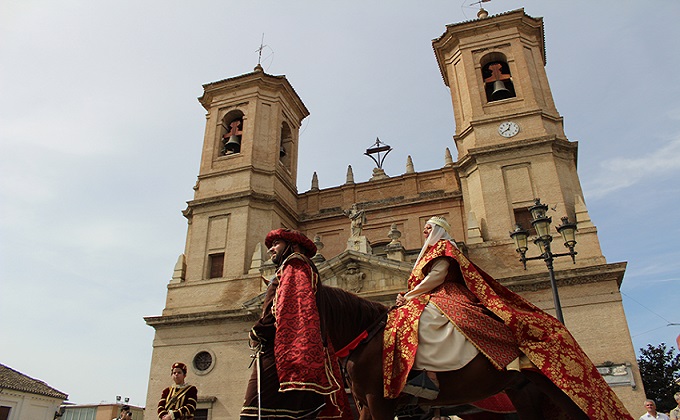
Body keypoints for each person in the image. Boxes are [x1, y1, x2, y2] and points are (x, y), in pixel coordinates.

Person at [383, 216, 632, 419]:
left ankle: (434, 371)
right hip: (425, 295)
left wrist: (411, 295)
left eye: (429, 228)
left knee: (431, 320)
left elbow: (437, 276)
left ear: (439, 230)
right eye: (424, 228)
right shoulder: (427, 252)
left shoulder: (444, 248)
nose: (425, 232)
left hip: (446, 294)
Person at [240, 228, 352, 419]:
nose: (271, 249)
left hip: (281, 349)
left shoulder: (294, 265)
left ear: (293, 245)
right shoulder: (293, 268)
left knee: (253, 411)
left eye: (276, 244)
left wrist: (259, 331)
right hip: (284, 348)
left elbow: (288, 306)